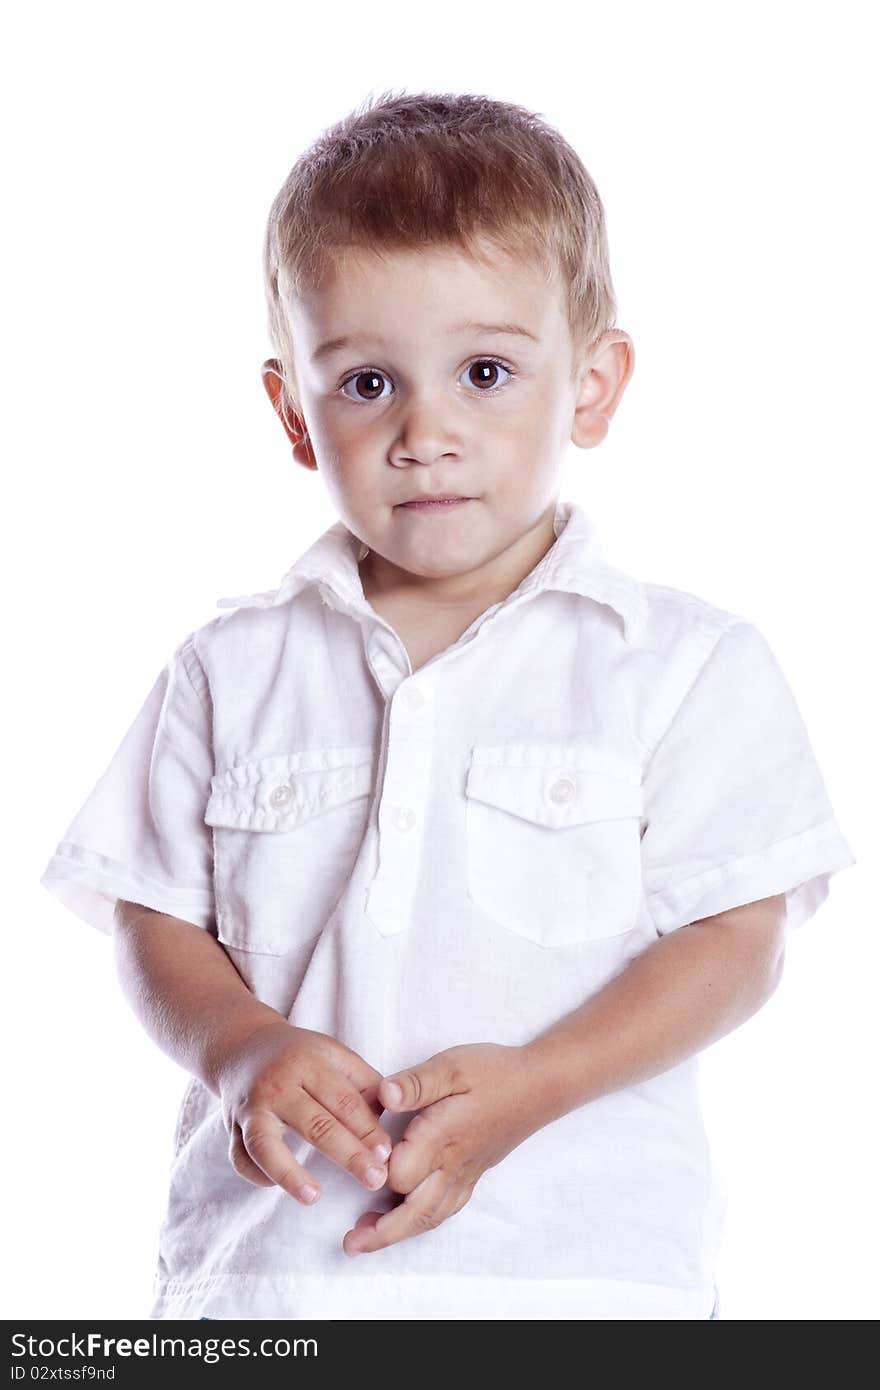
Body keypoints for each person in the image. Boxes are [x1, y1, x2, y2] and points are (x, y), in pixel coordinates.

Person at [39, 89, 856, 1321]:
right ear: (291, 415)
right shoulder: (229, 663)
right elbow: (153, 921)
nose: (425, 431)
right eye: (366, 382)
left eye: (483, 371)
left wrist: (538, 1080)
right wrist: (239, 1047)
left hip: (580, 1281)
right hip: (268, 1285)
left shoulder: (683, 663)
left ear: (591, 384)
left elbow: (737, 944)